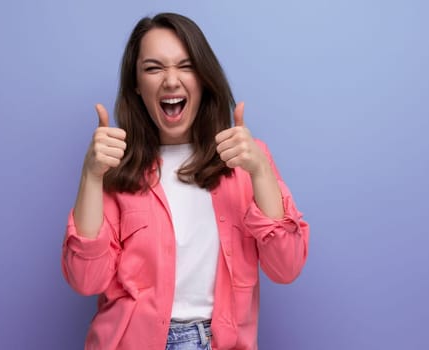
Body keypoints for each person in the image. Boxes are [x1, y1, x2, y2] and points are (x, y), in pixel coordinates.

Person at [61, 12, 309, 350]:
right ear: (136, 84)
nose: (171, 81)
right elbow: (86, 280)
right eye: (153, 68)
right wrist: (91, 175)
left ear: (204, 77)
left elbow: (287, 267)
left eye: (186, 65)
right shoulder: (114, 167)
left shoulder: (247, 160)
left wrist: (261, 171)